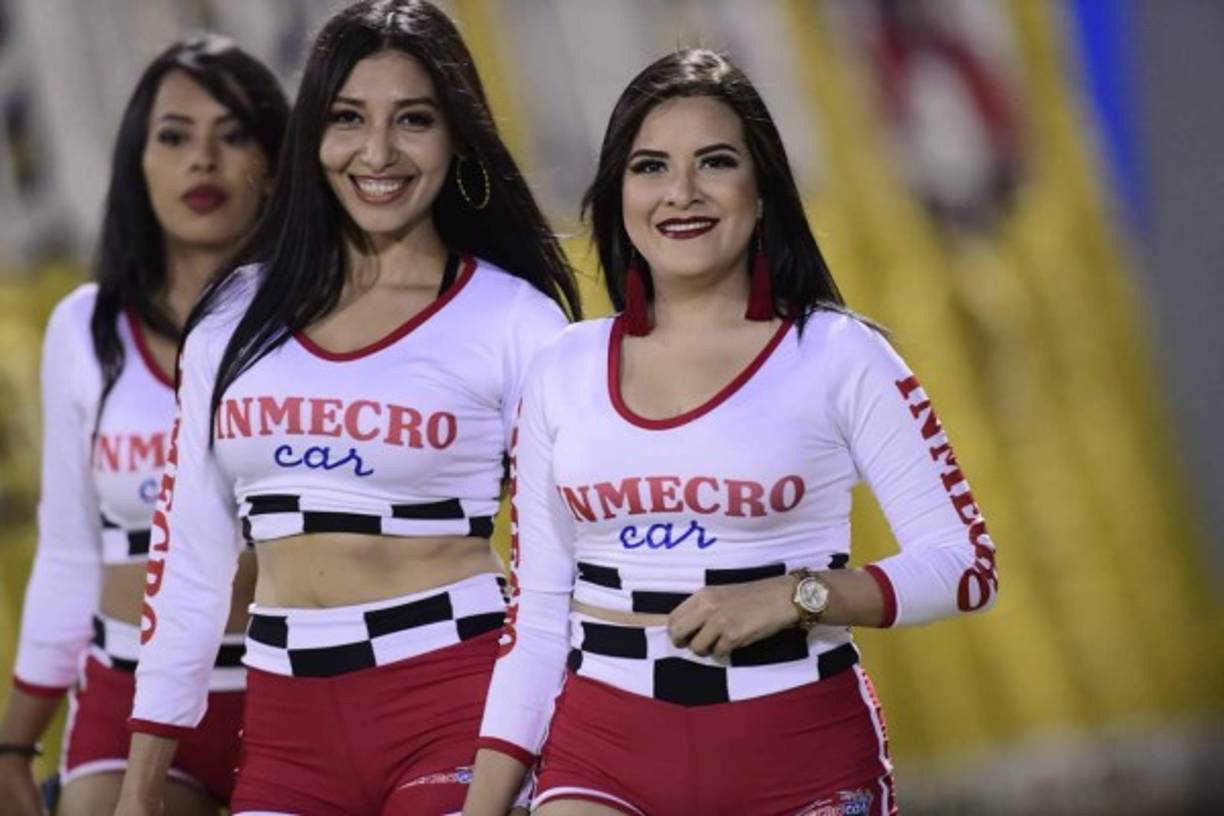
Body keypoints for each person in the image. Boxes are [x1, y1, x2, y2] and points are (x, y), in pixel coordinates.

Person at [464, 49, 999, 816]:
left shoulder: (840, 354)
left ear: (763, 191)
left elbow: (965, 566)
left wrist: (798, 595)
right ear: (618, 191)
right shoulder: (561, 367)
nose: (680, 193)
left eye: (714, 163)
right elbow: (541, 617)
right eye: (650, 167)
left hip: (797, 747)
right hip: (603, 750)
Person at [114, 2, 581, 814]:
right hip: (287, 725)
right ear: (311, 139)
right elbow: (187, 563)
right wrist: (138, 792)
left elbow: (560, 578)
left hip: (456, 703)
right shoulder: (233, 315)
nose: (377, 152)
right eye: (347, 119)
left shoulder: (518, 322)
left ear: (455, 136)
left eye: (413, 120)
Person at [0, 36, 288, 816]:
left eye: (233, 137)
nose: (203, 160)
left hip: (299, 695)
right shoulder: (84, 328)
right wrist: (15, 743)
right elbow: (66, 552)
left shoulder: (319, 323)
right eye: (174, 136)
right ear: (137, 161)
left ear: (274, 168)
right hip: (126, 697)